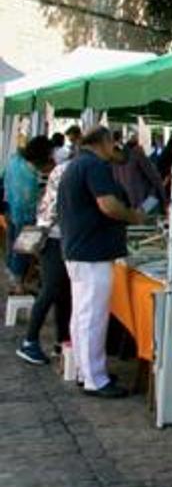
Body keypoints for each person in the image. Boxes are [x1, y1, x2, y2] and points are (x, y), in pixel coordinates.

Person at [58, 126, 146, 397]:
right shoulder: (94, 166)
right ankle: (95, 378)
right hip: (91, 252)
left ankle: (88, 372)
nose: (114, 148)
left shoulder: (77, 164)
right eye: (113, 143)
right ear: (105, 142)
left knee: (83, 315)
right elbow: (108, 205)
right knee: (92, 317)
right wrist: (133, 216)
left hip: (81, 249)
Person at [15, 154, 74, 365]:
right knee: (51, 290)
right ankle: (29, 342)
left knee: (61, 292)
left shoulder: (63, 168)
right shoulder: (72, 171)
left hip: (52, 234)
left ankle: (62, 341)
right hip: (55, 236)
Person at [3, 135, 54, 283]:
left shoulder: (15, 160)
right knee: (24, 249)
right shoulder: (30, 176)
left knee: (13, 245)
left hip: (9, 208)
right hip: (25, 216)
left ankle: (14, 276)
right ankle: (18, 282)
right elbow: (31, 202)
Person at [113, 135, 167, 214]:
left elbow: (155, 178)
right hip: (140, 205)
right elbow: (155, 177)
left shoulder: (135, 156)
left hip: (147, 203)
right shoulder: (112, 163)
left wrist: (164, 199)